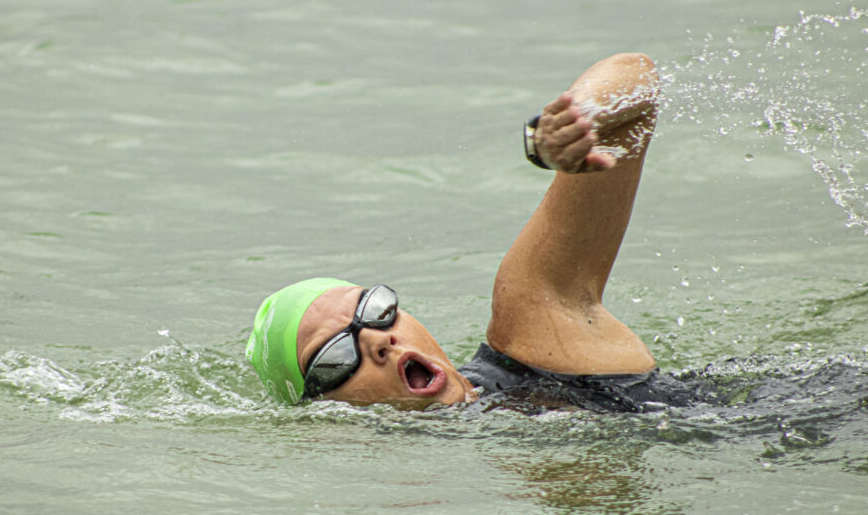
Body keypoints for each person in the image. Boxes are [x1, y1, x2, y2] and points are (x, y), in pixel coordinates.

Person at [246, 53, 683, 412]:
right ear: (323, 410)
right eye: (336, 357)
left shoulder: (534, 338)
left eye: (375, 309)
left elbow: (636, 77)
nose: (379, 340)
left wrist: (578, 119)